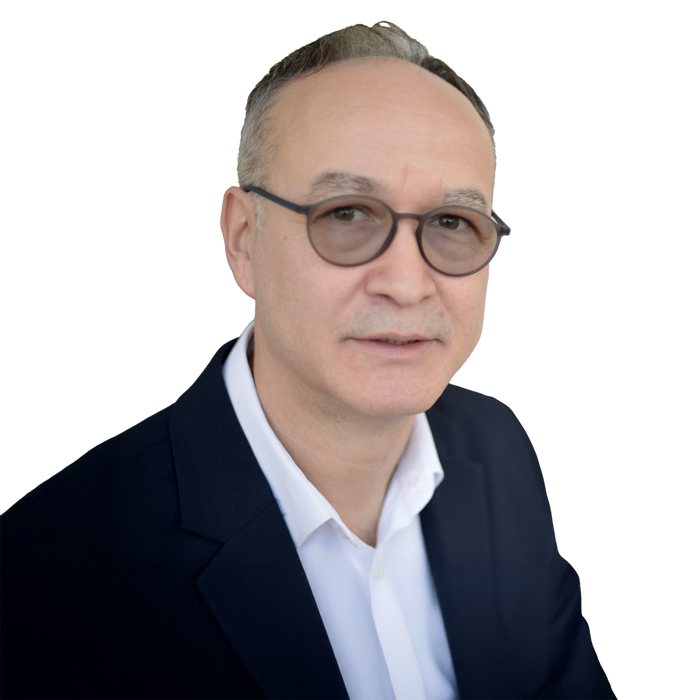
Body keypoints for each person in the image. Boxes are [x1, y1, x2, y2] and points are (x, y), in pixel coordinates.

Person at [0, 21, 615, 700]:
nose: (407, 283)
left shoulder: (496, 449)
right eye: (347, 214)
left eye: (451, 222)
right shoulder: (45, 573)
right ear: (244, 239)